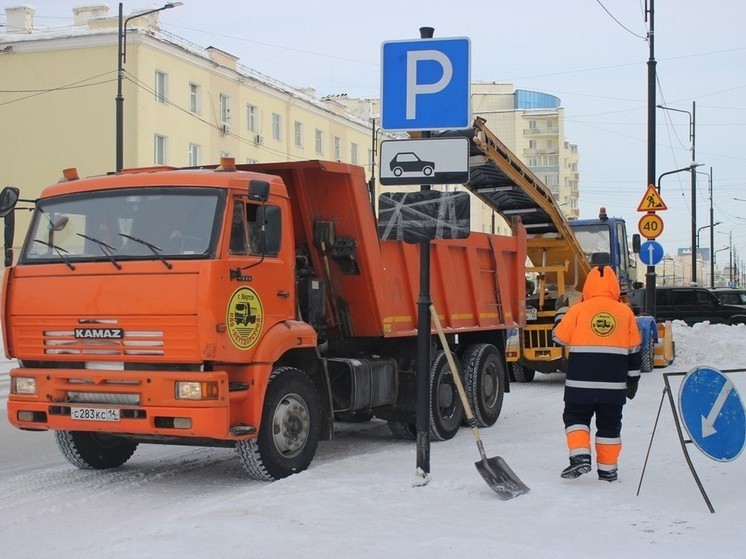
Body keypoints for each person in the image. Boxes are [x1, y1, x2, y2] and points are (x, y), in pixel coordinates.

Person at [552, 264, 641, 482]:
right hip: (613, 386)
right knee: (610, 425)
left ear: (588, 286)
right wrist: (632, 379)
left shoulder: (577, 310)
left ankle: (581, 457)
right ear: (614, 287)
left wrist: (561, 313)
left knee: (576, 418)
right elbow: (635, 351)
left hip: (579, 385)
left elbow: (558, 338)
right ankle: (608, 470)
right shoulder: (625, 312)